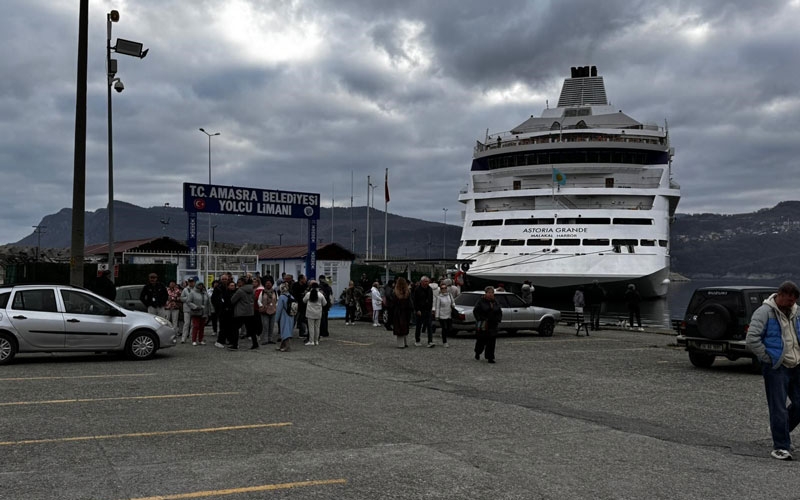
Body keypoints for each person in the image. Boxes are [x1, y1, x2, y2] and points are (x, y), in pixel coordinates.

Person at [745, 281, 800, 460]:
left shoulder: (796, 312)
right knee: (778, 407)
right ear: (780, 295)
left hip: (796, 365)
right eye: (788, 300)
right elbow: (752, 339)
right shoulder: (764, 313)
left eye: (793, 301)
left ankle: (780, 429)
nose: (790, 304)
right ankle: (781, 446)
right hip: (776, 367)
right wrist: (768, 358)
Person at [473, 286, 503, 363]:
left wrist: (498, 319)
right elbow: (476, 311)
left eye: (492, 292)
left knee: (492, 342)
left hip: (493, 324)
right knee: (481, 341)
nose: (490, 294)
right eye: (489, 292)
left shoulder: (495, 301)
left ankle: (490, 357)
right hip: (484, 324)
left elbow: (499, 311)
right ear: (486, 293)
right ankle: (478, 352)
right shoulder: (481, 301)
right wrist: (480, 319)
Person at [230, 277, 258, 350]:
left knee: (235, 328)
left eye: (239, 282)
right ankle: (255, 343)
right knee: (251, 329)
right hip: (250, 311)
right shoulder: (252, 290)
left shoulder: (240, 290)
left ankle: (235, 344)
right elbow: (254, 299)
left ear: (242, 283)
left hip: (241, 312)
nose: (238, 283)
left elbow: (232, 300)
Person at [390, 277, 413, 348]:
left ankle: (401, 344)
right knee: (405, 326)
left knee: (399, 327)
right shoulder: (408, 292)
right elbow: (410, 303)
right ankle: (405, 342)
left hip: (398, 312)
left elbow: (393, 304)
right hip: (406, 311)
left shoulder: (395, 293)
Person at [303, 281, 327, 346]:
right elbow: (325, 303)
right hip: (318, 313)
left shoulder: (308, 294)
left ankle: (311, 341)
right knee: (317, 327)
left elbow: (304, 300)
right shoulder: (320, 295)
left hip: (310, 313)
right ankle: (316, 341)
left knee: (311, 327)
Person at [413, 276, 434, 347]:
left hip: (428, 310)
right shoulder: (417, 290)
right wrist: (417, 310)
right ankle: (417, 340)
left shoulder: (430, 289)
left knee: (429, 326)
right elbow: (415, 301)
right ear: (421, 282)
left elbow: (431, 299)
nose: (426, 283)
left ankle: (430, 341)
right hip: (420, 310)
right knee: (419, 326)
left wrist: (431, 308)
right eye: (425, 281)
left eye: (427, 281)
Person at [274, 282, 295, 352]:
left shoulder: (282, 297)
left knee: (284, 331)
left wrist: (276, 319)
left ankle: (287, 346)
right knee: (288, 330)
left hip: (284, 316)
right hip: (291, 315)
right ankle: (282, 345)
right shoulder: (291, 296)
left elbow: (279, 309)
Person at [432, 282, 454, 347]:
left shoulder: (449, 295)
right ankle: (444, 342)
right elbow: (437, 307)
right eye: (442, 288)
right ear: (440, 289)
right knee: (444, 328)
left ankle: (444, 337)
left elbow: (453, 302)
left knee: (449, 328)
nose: (444, 289)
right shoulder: (439, 297)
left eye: (445, 288)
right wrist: (437, 316)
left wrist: (453, 305)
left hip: (449, 314)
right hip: (442, 315)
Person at [258, 278, 277, 344]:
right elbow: (259, 300)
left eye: (269, 283)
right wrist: (262, 306)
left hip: (273, 310)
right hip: (264, 311)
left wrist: (275, 307)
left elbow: (277, 300)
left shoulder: (275, 292)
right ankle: (265, 339)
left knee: (271, 326)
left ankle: (270, 339)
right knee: (265, 325)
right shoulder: (262, 292)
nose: (268, 284)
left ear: (272, 284)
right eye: (267, 283)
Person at [179, 277, 197, 343]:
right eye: (190, 282)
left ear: (194, 282)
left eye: (192, 282)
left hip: (194, 308)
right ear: (188, 282)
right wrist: (188, 298)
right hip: (186, 309)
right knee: (186, 323)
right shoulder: (185, 289)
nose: (191, 283)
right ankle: (183, 338)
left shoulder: (196, 289)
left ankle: (192, 338)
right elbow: (181, 298)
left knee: (193, 324)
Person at [291, 274, 308, 340]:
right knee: (294, 320)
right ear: (301, 279)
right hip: (296, 305)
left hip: (303, 306)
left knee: (302, 320)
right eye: (304, 278)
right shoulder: (295, 285)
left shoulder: (305, 286)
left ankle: (302, 333)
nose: (305, 280)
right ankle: (289, 333)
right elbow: (294, 295)